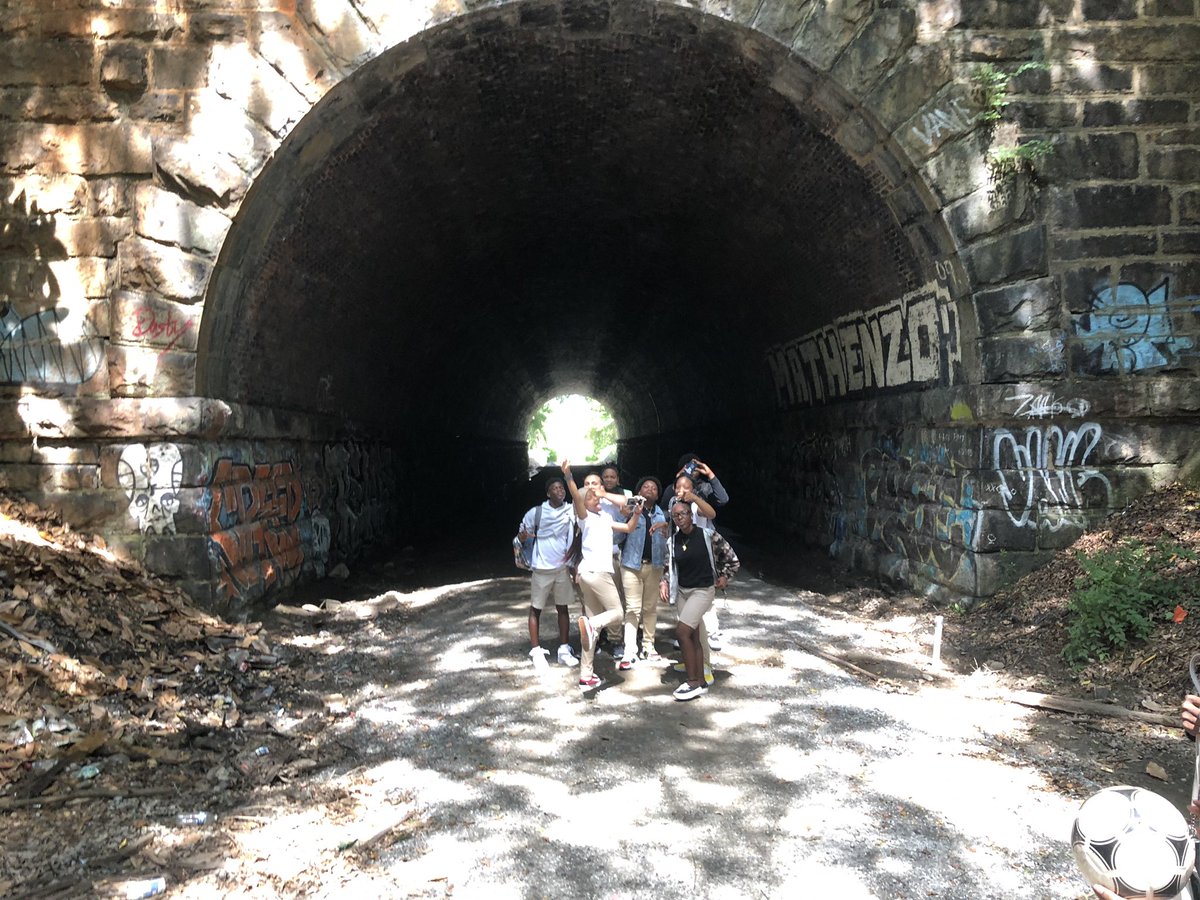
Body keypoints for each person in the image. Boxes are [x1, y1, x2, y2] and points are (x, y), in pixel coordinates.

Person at [562, 459, 641, 690]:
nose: (597, 499)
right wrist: (568, 476)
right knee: (617, 613)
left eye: (597, 497)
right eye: (592, 498)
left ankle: (586, 675)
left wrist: (636, 512)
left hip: (588, 576)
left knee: (592, 631)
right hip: (597, 573)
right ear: (584, 504)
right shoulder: (584, 519)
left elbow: (628, 528)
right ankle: (593, 624)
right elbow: (577, 496)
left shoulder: (605, 518)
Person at [659, 500, 739, 701]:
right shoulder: (673, 541)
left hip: (703, 590)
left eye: (684, 513)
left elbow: (732, 558)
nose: (680, 518)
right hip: (683, 591)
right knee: (693, 636)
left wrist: (725, 577)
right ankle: (701, 681)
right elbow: (668, 567)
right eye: (676, 515)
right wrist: (664, 582)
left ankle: (692, 682)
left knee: (682, 632)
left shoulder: (708, 535)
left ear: (691, 515)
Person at [518, 475, 580, 670]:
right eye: (555, 488)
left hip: (562, 567)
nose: (560, 491)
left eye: (562, 488)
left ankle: (563, 649)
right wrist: (523, 536)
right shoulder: (536, 513)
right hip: (541, 568)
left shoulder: (571, 511)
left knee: (563, 607)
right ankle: (536, 651)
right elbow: (520, 538)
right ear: (548, 493)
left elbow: (581, 504)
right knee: (536, 608)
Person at [618, 476, 669, 665]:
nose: (650, 489)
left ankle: (649, 646)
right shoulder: (630, 512)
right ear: (638, 492)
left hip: (654, 566)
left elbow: (668, 544)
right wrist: (626, 516)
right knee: (632, 609)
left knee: (650, 608)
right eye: (646, 487)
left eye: (654, 488)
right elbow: (616, 538)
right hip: (631, 565)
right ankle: (630, 650)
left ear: (658, 495)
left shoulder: (662, 516)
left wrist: (665, 574)